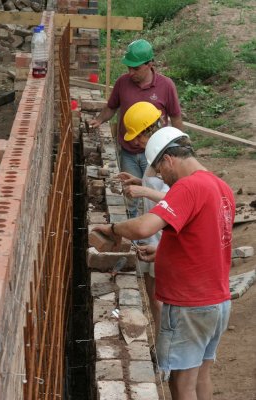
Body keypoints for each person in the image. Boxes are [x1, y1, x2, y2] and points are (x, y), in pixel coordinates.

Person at [93, 127, 235, 400]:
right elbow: (208, 241)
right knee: (201, 376)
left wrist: (114, 228)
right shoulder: (221, 187)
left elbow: (144, 227)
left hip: (189, 305)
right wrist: (162, 252)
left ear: (168, 159)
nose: (161, 177)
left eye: (159, 170)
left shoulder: (188, 186)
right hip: (217, 302)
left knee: (181, 384)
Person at [90, 39, 183, 217]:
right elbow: (111, 107)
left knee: (159, 196)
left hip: (155, 154)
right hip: (129, 152)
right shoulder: (122, 83)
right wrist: (99, 119)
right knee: (131, 196)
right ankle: (134, 239)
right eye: (129, 68)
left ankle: (153, 234)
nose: (131, 72)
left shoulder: (166, 86)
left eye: (136, 68)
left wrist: (181, 146)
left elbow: (176, 117)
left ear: (150, 64)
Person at [118, 101, 169, 340]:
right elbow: (157, 186)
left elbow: (179, 198)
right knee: (152, 293)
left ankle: (164, 352)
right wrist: (139, 182)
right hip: (153, 235)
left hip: (165, 237)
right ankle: (157, 341)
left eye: (138, 137)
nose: (135, 142)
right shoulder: (154, 155)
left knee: (161, 300)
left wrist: (145, 192)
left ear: (150, 129)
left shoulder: (170, 157)